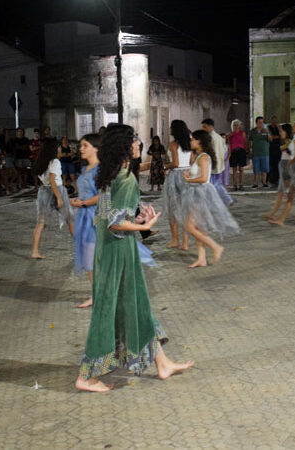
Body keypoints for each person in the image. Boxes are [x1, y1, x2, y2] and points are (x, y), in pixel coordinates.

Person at [75, 124, 193, 392]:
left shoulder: (111, 173)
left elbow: (107, 214)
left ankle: (162, 364)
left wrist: (138, 218)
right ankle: (86, 376)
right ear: (124, 145)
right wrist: (144, 226)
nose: (139, 143)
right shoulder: (126, 177)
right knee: (106, 310)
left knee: (137, 304)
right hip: (118, 250)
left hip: (111, 250)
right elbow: (115, 223)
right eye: (134, 139)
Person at [180, 130, 240, 268]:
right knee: (199, 227)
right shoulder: (199, 156)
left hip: (201, 193)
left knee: (189, 226)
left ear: (199, 141)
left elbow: (203, 178)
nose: (191, 142)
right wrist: (190, 174)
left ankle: (215, 247)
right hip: (197, 192)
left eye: (192, 139)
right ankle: (202, 259)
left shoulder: (204, 157)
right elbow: (200, 175)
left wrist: (189, 179)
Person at [69, 134, 101, 308]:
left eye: (85, 145)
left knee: (91, 257)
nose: (81, 148)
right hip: (83, 216)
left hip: (94, 217)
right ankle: (96, 293)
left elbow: (102, 195)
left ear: (95, 148)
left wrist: (83, 203)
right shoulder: (85, 169)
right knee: (90, 258)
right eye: (80, 145)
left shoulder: (99, 170)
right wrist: (77, 200)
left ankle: (98, 294)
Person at [31, 138, 74, 259]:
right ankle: (81, 249)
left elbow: (46, 180)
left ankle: (35, 251)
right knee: (70, 219)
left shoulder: (41, 161)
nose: (60, 148)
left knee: (41, 222)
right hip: (56, 189)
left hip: (43, 191)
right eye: (59, 147)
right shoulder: (55, 162)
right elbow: (52, 180)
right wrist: (59, 198)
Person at [264, 123, 295, 220]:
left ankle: (275, 215)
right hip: (285, 165)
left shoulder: (291, 142)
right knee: (292, 192)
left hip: (288, 166)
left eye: (282, 131)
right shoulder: (287, 141)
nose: (280, 133)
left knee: (286, 191)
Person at [163, 120, 193, 251]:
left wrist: (165, 167)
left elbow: (175, 163)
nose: (169, 129)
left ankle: (175, 240)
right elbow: (192, 161)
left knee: (173, 209)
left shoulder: (173, 144)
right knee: (186, 210)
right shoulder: (189, 144)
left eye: (171, 127)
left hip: (175, 176)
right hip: (187, 175)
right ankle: (185, 243)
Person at [201, 118, 233, 206]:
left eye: (205, 127)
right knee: (216, 184)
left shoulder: (211, 138)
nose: (203, 129)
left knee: (212, 185)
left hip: (213, 165)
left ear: (210, 126)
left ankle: (220, 201)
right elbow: (224, 150)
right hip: (219, 165)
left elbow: (210, 153)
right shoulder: (218, 137)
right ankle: (226, 200)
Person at [249, 116, 271, 188]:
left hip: (265, 153)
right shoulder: (253, 131)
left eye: (262, 122)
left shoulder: (266, 130)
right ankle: (255, 183)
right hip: (256, 153)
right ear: (256, 123)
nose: (261, 124)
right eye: (259, 122)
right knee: (256, 169)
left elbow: (271, 140)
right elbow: (249, 141)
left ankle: (264, 182)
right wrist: (249, 150)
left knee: (264, 169)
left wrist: (268, 133)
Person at [226, 120, 247, 191]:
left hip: (241, 151)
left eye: (237, 125)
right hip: (233, 152)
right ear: (232, 126)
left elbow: (245, 142)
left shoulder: (243, 133)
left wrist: (246, 151)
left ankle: (241, 184)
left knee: (241, 169)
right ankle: (235, 185)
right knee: (234, 169)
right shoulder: (229, 134)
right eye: (234, 125)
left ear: (239, 126)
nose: (236, 126)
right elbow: (227, 143)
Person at [267, 116, 282, 186]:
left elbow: (281, 136)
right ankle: (271, 179)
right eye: (273, 120)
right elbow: (270, 138)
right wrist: (276, 137)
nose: (274, 122)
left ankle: (277, 179)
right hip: (271, 148)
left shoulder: (278, 127)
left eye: (275, 120)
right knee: (271, 164)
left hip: (278, 148)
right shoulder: (268, 127)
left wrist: (279, 129)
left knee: (277, 164)